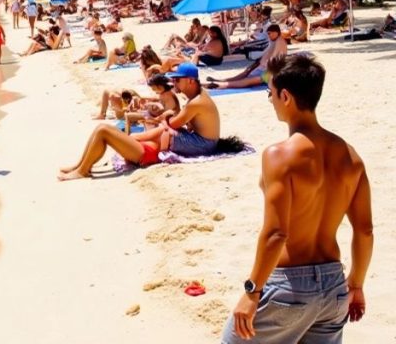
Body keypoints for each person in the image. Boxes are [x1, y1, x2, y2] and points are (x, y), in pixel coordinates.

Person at [223, 53, 372, 343]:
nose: (271, 100)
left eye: (270, 93)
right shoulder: (351, 157)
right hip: (334, 288)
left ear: (286, 96)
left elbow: (277, 232)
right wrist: (356, 283)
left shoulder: (279, 155)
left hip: (289, 286)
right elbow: (364, 231)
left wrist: (252, 291)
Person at [59, 62, 220, 180]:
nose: (174, 83)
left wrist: (164, 121)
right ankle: (81, 165)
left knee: (102, 129)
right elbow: (170, 125)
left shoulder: (196, 101)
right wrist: (163, 121)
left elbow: (173, 124)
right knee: (102, 129)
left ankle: (82, 170)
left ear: (191, 81)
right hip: (195, 141)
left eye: (178, 80)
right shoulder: (195, 96)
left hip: (202, 143)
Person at [208, 25, 287, 89]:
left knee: (249, 79)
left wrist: (264, 66)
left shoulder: (279, 41)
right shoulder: (275, 40)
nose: (268, 36)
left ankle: (222, 84)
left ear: (275, 32)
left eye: (269, 33)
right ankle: (222, 82)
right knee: (246, 74)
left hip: (271, 70)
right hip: (267, 67)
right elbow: (269, 54)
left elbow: (274, 57)